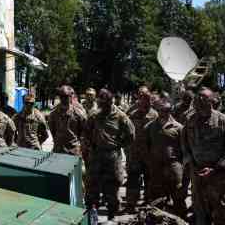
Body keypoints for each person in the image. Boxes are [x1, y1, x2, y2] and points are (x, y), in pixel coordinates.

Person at [181, 87, 225, 225]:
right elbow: (185, 144)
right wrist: (190, 164)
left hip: (219, 179)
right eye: (198, 98)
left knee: (223, 216)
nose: (200, 100)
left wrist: (215, 169)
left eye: (204, 98)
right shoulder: (190, 120)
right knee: (201, 216)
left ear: (212, 101)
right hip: (198, 179)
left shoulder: (223, 120)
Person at [84, 88, 135, 220]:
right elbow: (86, 132)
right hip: (96, 156)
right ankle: (92, 217)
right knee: (92, 187)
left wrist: (119, 145)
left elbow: (131, 135)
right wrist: (91, 145)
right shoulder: (94, 115)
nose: (102, 107)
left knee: (111, 189)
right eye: (100, 104)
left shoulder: (120, 116)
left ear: (110, 102)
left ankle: (112, 217)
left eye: (105, 105)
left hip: (112, 158)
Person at [145, 97, 186, 218]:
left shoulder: (179, 128)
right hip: (156, 165)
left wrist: (182, 164)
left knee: (178, 194)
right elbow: (146, 146)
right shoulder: (150, 127)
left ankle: (181, 218)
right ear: (158, 110)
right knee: (157, 196)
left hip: (174, 165)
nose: (165, 112)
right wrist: (149, 161)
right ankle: (158, 219)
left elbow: (184, 148)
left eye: (168, 110)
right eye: (162, 110)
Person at [126, 86, 158, 212]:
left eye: (147, 99)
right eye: (142, 98)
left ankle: (148, 203)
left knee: (149, 179)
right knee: (133, 178)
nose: (144, 101)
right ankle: (131, 204)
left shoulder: (155, 115)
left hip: (149, 153)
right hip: (134, 153)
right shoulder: (132, 114)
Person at [47, 85, 87, 156]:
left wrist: (80, 145)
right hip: (58, 150)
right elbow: (52, 130)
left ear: (70, 97)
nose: (64, 99)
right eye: (61, 96)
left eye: (66, 96)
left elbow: (84, 131)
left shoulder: (78, 113)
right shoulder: (53, 114)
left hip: (73, 150)